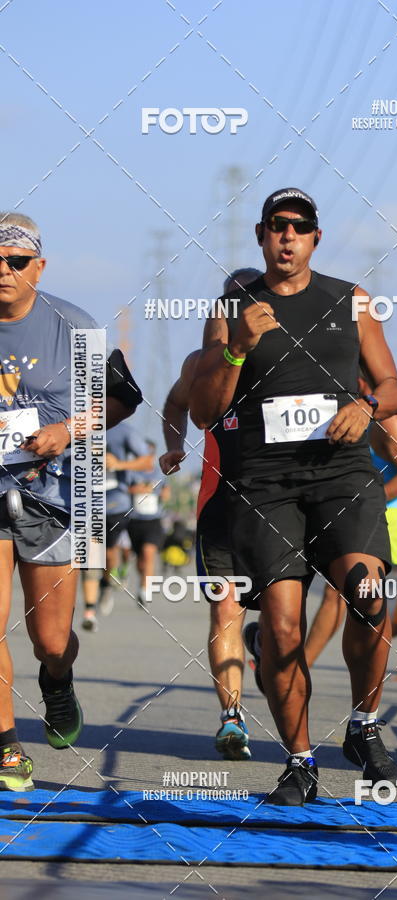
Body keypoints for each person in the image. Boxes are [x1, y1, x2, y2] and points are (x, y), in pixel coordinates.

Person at [189, 187, 397, 805]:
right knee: (283, 630)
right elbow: (206, 411)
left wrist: (365, 407)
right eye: (277, 226)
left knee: (367, 593)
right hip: (264, 482)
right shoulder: (233, 306)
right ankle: (301, 761)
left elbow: (393, 387)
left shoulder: (350, 300)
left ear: (316, 238)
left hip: (340, 472)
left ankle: (364, 727)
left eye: (300, 227)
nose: (288, 236)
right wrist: (236, 348)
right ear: (261, 235)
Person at [0, 213, 142, 791]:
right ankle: (7, 747)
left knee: (51, 640)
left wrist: (69, 429)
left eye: (15, 262)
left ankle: (57, 681)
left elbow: (125, 401)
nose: (3, 272)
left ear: (39, 266)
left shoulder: (73, 325)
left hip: (55, 495)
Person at [160, 268, 261, 761]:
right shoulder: (201, 362)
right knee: (225, 608)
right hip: (220, 502)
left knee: (285, 621)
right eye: (228, 307)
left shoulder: (289, 359)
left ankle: (263, 641)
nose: (233, 315)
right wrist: (174, 446)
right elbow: (174, 403)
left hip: (280, 505)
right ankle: (232, 718)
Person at [304, 393, 397, 667]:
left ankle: (296, 669)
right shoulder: (366, 418)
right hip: (395, 514)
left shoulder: (388, 420)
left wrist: (362, 503)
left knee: (339, 591)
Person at [81, 425, 153, 630]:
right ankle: (89, 612)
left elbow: (147, 462)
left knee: (109, 554)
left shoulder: (123, 431)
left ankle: (106, 583)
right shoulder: (76, 424)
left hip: (115, 502)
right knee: (90, 554)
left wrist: (119, 464)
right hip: (83, 500)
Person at [127, 439, 170, 608]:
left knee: (149, 553)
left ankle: (145, 591)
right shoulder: (131, 473)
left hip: (154, 520)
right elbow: (124, 488)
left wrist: (164, 492)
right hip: (134, 520)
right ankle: (142, 581)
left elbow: (166, 492)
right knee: (140, 559)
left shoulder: (159, 474)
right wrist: (137, 489)